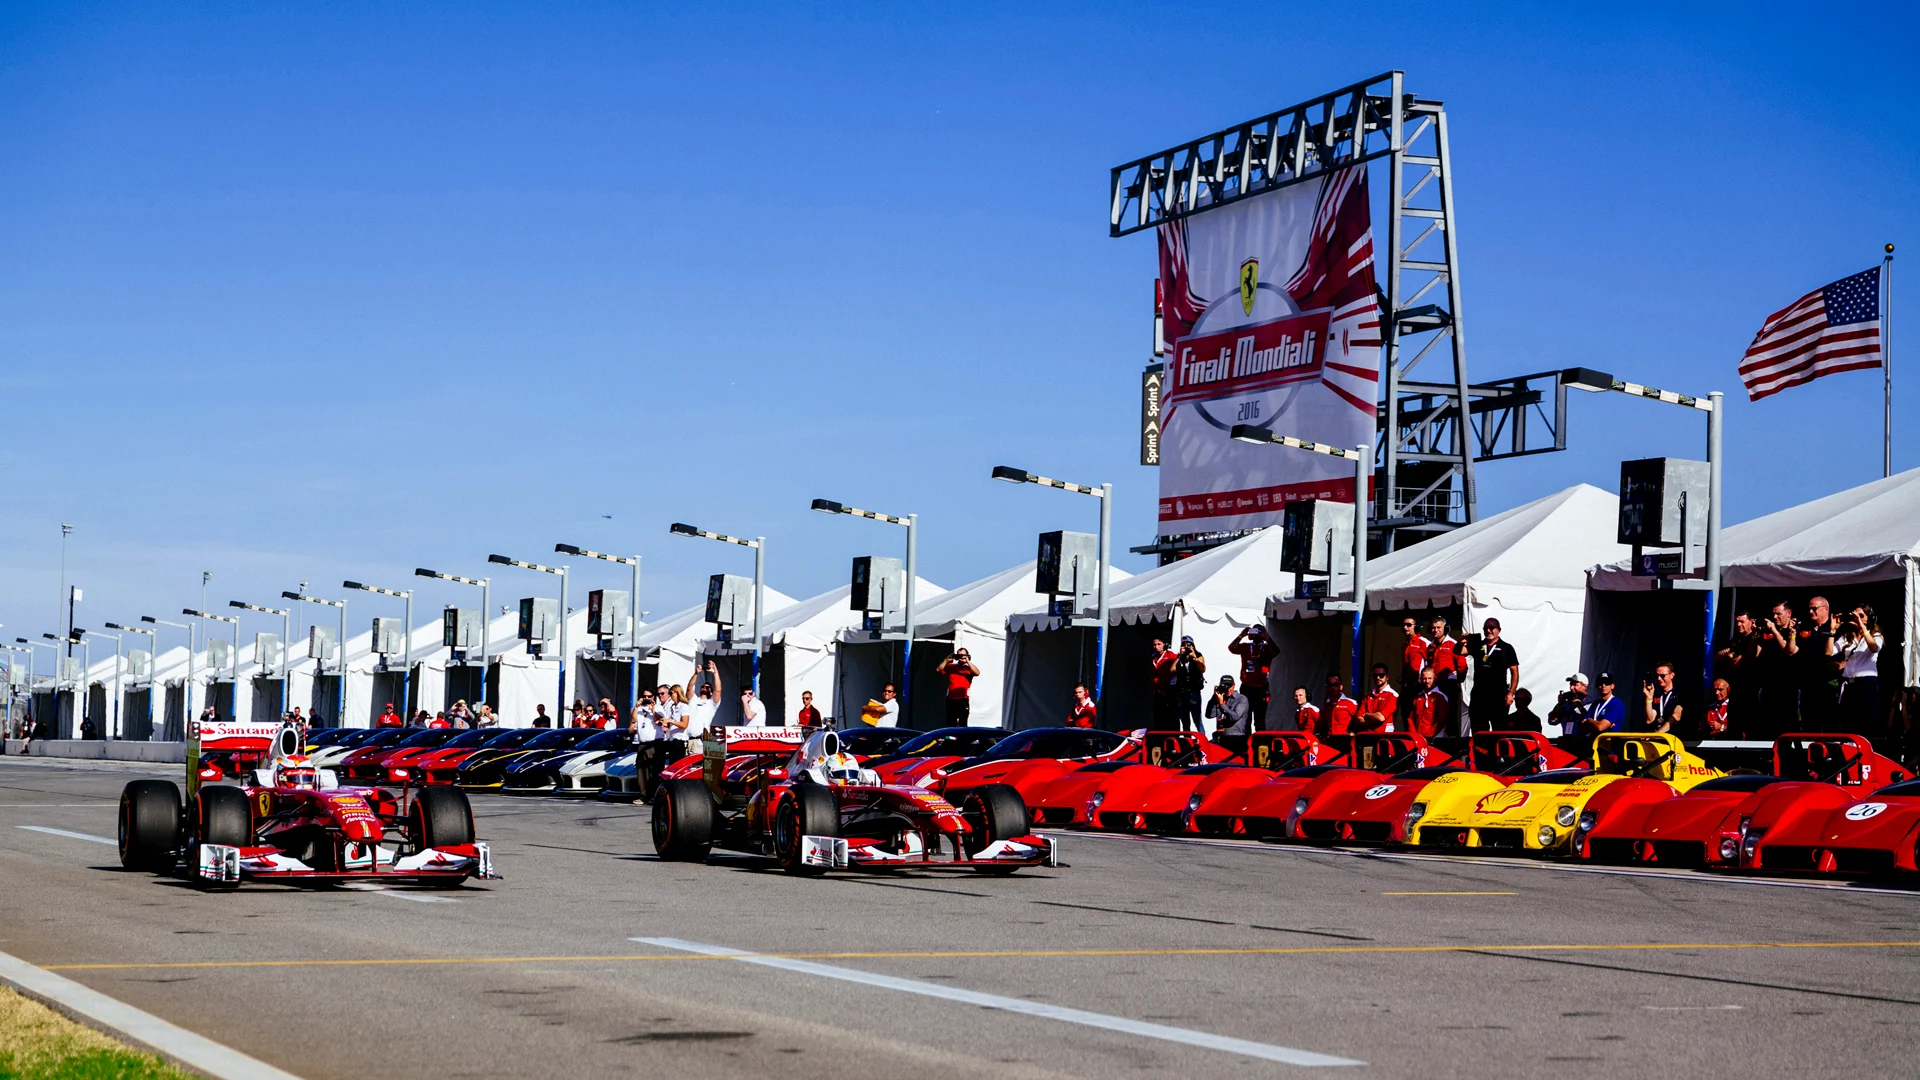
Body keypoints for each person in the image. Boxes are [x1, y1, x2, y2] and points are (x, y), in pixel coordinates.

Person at [1832, 604, 1883, 736]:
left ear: (1870, 618)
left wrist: (1863, 628)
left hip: (1866, 683)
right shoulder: (1848, 637)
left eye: (1861, 616)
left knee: (1867, 722)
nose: (1857, 618)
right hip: (1849, 684)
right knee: (1848, 722)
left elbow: (1874, 648)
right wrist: (1832, 631)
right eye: (1855, 615)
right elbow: (1829, 652)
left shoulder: (1876, 635)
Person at [1463, 618, 1519, 732]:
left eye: (1492, 628)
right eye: (1485, 628)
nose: (1488, 630)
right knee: (1479, 730)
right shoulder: (1477, 645)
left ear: (1499, 630)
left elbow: (1514, 672)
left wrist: (1511, 693)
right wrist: (1461, 642)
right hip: (1479, 696)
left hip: (1499, 697)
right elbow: (1458, 651)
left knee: (1499, 730)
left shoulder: (1506, 648)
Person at [1716, 611, 1765, 737]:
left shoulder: (1758, 638)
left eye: (1742, 621)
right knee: (1734, 728)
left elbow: (1752, 656)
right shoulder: (1736, 640)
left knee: (1752, 729)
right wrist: (1727, 655)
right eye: (1737, 621)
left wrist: (1737, 658)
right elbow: (1719, 656)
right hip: (1736, 691)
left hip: (1753, 691)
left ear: (1751, 622)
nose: (1738, 624)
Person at [1798, 596, 1843, 728]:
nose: (1811, 612)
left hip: (1830, 682)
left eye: (1814, 608)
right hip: (1808, 683)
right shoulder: (1804, 628)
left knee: (1830, 721)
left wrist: (1843, 664)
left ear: (1826, 609)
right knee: (1810, 723)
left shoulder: (1837, 627)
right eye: (1809, 609)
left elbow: (1853, 649)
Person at [1757, 602, 1799, 736]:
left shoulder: (1794, 630)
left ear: (1789, 614)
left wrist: (1775, 632)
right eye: (1773, 614)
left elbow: (1788, 651)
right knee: (1768, 726)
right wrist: (1755, 635)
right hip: (1768, 686)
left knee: (1788, 725)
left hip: (1788, 686)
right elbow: (1755, 654)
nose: (1775, 617)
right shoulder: (1767, 632)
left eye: (1778, 614)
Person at [1227, 626, 1277, 730]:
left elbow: (1276, 652)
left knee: (1260, 720)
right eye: (1253, 631)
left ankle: (1260, 740)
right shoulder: (1246, 647)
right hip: (1247, 688)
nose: (1256, 634)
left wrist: (1267, 637)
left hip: (1261, 688)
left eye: (1258, 631)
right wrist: (1241, 635)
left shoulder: (1266, 648)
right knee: (1245, 719)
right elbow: (1231, 648)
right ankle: (1247, 740)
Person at [1398, 617, 1432, 722]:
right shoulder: (1405, 644)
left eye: (1408, 625)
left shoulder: (1424, 643)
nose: (1405, 627)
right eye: (1403, 625)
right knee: (1405, 716)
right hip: (1406, 686)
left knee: (1418, 717)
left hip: (1418, 687)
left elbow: (1430, 666)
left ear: (1416, 627)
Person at [1206, 675, 1251, 753]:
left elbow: (1234, 716)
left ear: (1234, 685)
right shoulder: (1220, 698)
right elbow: (1209, 715)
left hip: (1237, 737)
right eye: (1225, 686)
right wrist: (1214, 698)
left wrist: (1221, 704)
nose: (1228, 689)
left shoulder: (1241, 699)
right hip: (1221, 737)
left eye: (1229, 686)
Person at [1172, 636, 1207, 732]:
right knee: (1185, 721)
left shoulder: (1198, 655)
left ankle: (1202, 738)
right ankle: (1186, 739)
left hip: (1193, 691)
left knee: (1197, 720)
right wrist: (1179, 657)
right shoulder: (1180, 658)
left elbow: (1203, 669)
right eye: (1183, 645)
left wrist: (1194, 657)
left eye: (1188, 645)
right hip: (1182, 692)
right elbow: (1172, 670)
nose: (1186, 647)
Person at [937, 649, 980, 726]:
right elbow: (938, 669)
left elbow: (977, 673)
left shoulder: (969, 668)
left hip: (963, 699)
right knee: (951, 723)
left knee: (963, 722)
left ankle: (963, 735)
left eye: (963, 655)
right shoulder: (951, 666)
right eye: (959, 655)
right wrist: (946, 660)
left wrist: (967, 661)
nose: (961, 657)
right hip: (951, 699)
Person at [1637, 662, 1682, 734]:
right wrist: (1648, 698)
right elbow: (1649, 720)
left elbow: (1676, 716)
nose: (1659, 678)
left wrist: (1657, 734)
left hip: (1671, 737)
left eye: (1662, 675)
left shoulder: (1679, 694)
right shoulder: (1656, 695)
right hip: (1656, 736)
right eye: (1656, 676)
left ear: (1672, 675)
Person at [1409, 666, 1450, 739]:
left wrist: (1429, 735)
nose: (1427, 681)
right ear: (1421, 679)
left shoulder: (1441, 697)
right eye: (1424, 678)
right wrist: (1414, 735)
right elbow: (1411, 718)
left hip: (1434, 739)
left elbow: (1441, 720)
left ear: (1435, 678)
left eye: (1429, 678)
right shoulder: (1418, 697)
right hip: (1418, 738)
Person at [684, 661, 720, 741]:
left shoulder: (711, 703)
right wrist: (696, 673)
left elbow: (718, 690)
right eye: (703, 686)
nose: (704, 687)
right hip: (687, 739)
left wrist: (715, 673)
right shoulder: (694, 699)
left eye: (707, 687)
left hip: (700, 739)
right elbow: (689, 687)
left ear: (711, 692)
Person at [1149, 638, 1179, 727]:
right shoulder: (1153, 658)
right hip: (1158, 691)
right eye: (1154, 645)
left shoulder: (1170, 655)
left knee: (1172, 716)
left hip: (1169, 691)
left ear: (1164, 645)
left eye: (1159, 644)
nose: (1156, 647)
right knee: (1158, 716)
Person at [1360, 664, 1399, 729]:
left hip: (1384, 734)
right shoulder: (1367, 696)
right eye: (1375, 675)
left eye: (1381, 675)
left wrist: (1366, 714)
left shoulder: (1393, 695)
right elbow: (1358, 719)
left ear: (1387, 677)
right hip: (1367, 733)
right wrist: (1374, 719)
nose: (1378, 677)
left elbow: (1380, 717)